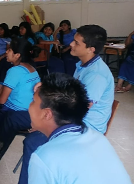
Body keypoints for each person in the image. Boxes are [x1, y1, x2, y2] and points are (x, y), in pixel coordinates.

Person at [19, 25, 114, 184]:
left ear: (90, 49)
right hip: (76, 120)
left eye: (76, 43)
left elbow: (79, 110)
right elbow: (69, 94)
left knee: (33, 142)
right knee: (34, 137)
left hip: (87, 127)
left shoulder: (96, 75)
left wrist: (48, 124)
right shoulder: (84, 65)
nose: (71, 44)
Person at [28, 73, 131, 184]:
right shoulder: (99, 138)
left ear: (47, 114)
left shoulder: (44, 158)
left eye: (33, 101)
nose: (29, 105)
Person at [0, 38, 40, 177]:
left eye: (9, 49)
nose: (6, 52)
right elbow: (3, 89)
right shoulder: (31, 68)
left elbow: (2, 99)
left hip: (15, 112)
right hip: (30, 110)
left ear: (17, 55)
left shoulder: (15, 70)